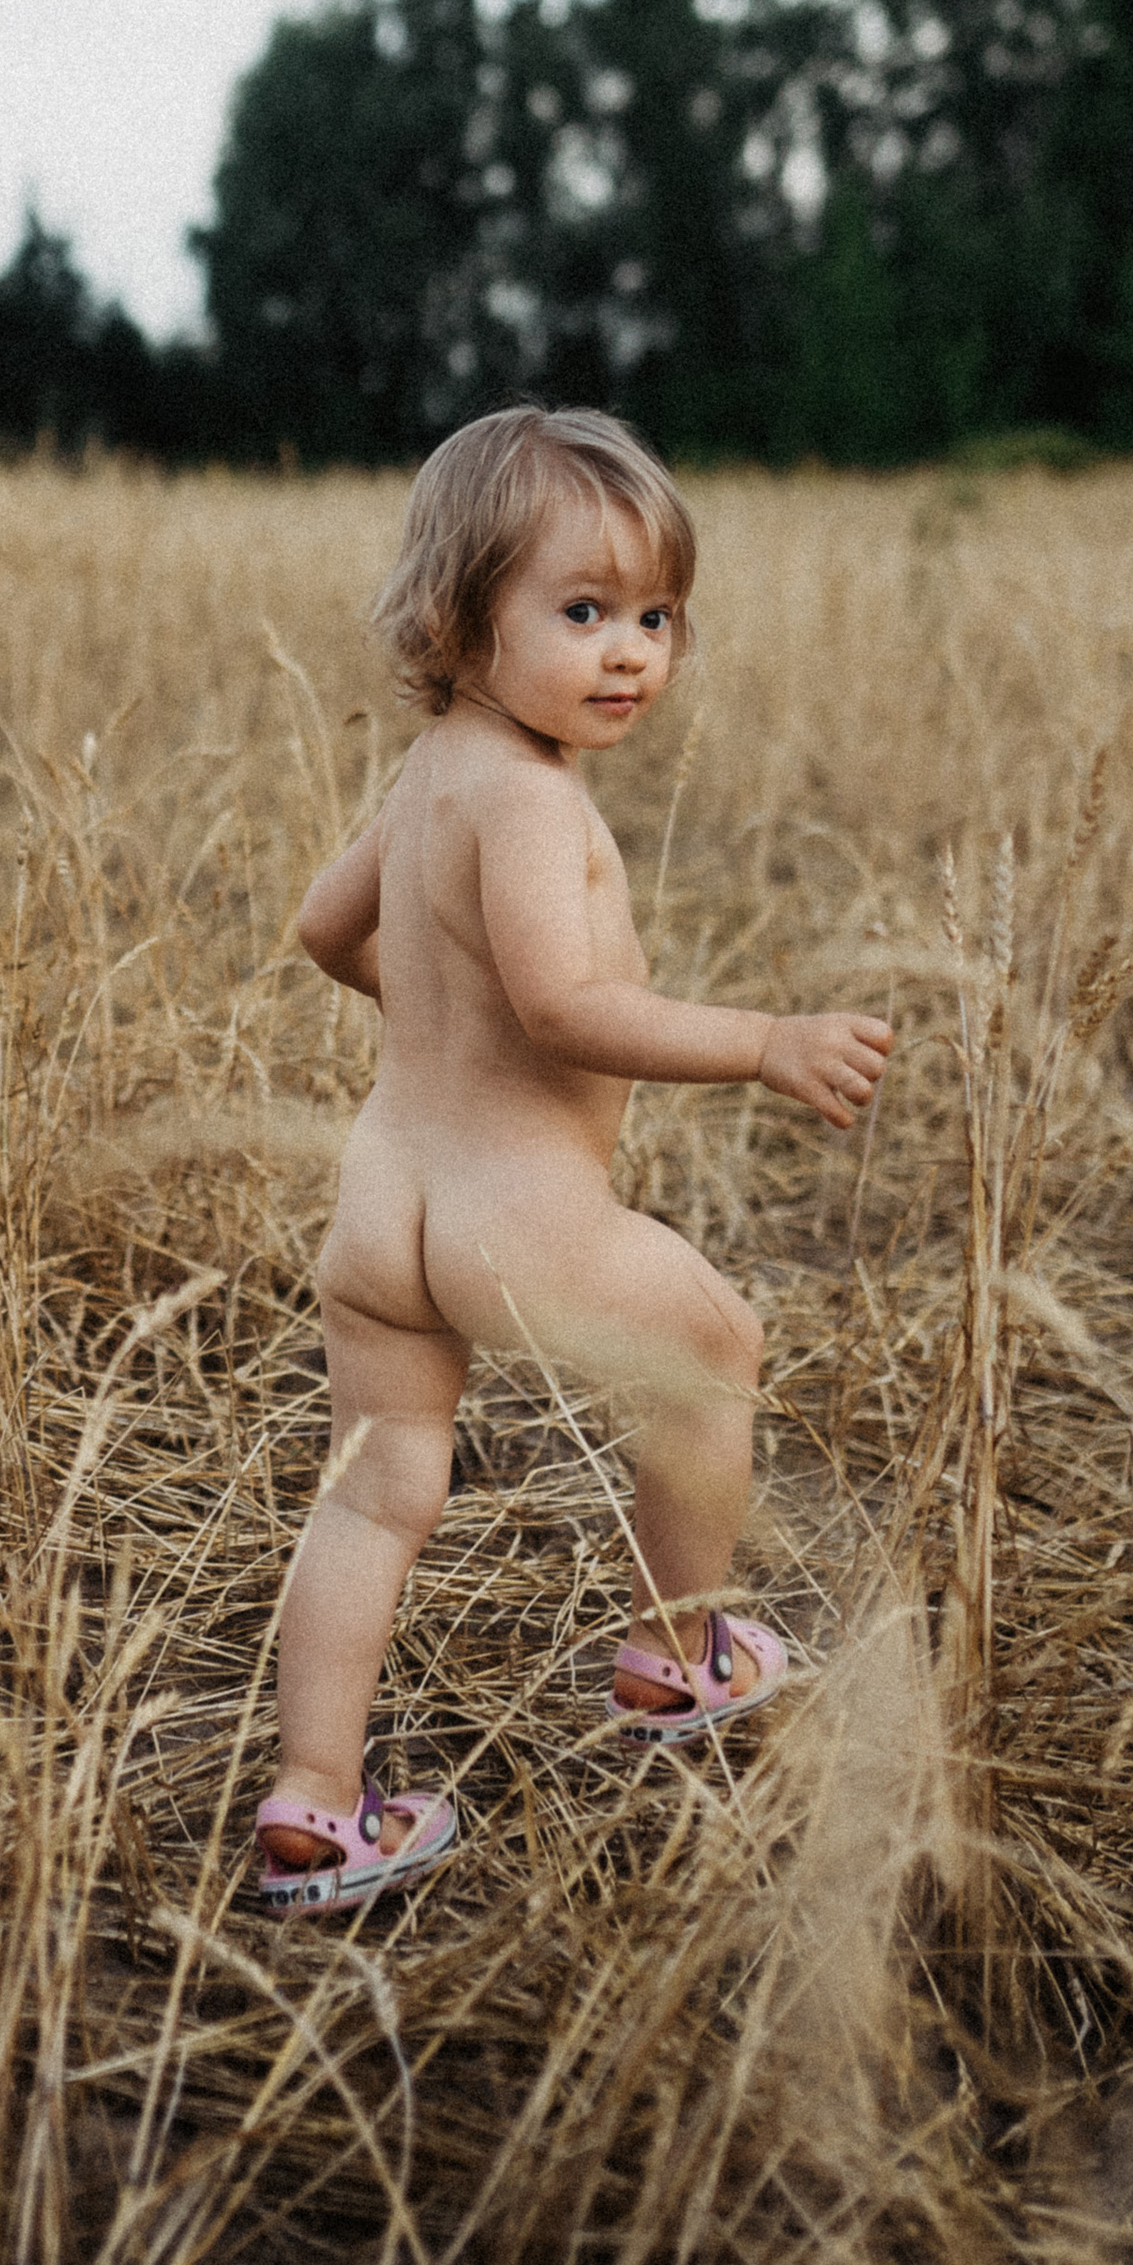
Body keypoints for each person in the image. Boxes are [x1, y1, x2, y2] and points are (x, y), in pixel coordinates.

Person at [255, 405, 891, 1912]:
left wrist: (436, 1017)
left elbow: (322, 930)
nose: (630, 652)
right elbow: (563, 1006)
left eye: (657, 616)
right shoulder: (534, 801)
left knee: (374, 1495)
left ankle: (314, 1802)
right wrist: (761, 1039)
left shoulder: (430, 778)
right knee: (713, 1348)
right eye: (583, 611)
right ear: (454, 621)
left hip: (382, 1207)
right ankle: (681, 1656)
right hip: (508, 1210)